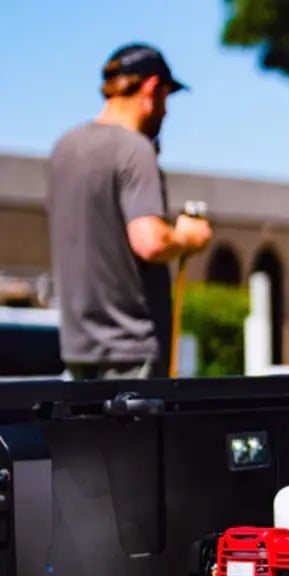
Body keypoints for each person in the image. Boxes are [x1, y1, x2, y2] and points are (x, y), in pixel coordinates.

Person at [48, 43, 213, 379]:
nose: (166, 112)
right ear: (152, 87)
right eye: (166, 98)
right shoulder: (134, 150)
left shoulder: (64, 149)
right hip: (132, 355)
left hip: (77, 351)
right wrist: (188, 237)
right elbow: (150, 241)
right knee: (137, 435)